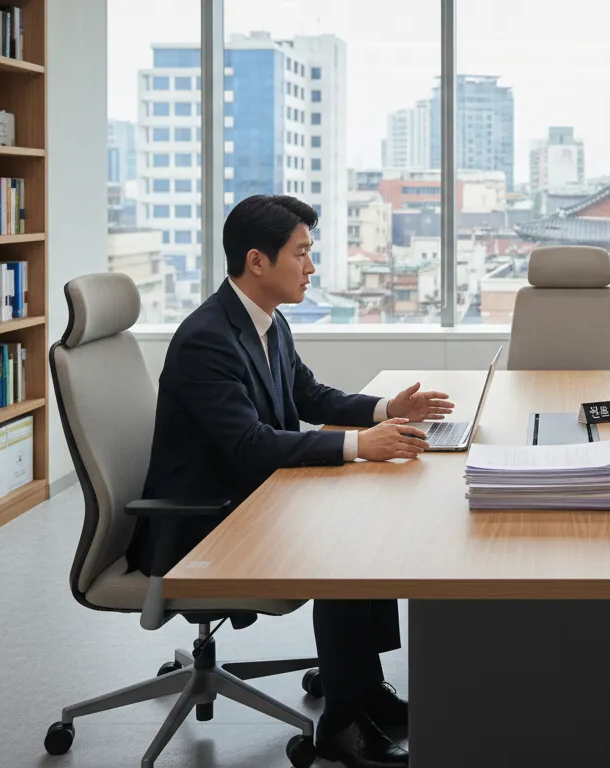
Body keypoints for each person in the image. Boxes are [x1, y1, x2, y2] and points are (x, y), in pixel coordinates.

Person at [134, 194, 454, 768]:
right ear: (257, 261)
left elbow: (308, 395)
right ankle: (342, 723)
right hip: (203, 523)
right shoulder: (208, 338)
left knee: (365, 517)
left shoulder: (267, 320)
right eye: (301, 253)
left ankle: (365, 690)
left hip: (251, 497)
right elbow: (251, 444)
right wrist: (360, 447)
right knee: (342, 539)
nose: (311, 266)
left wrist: (387, 409)